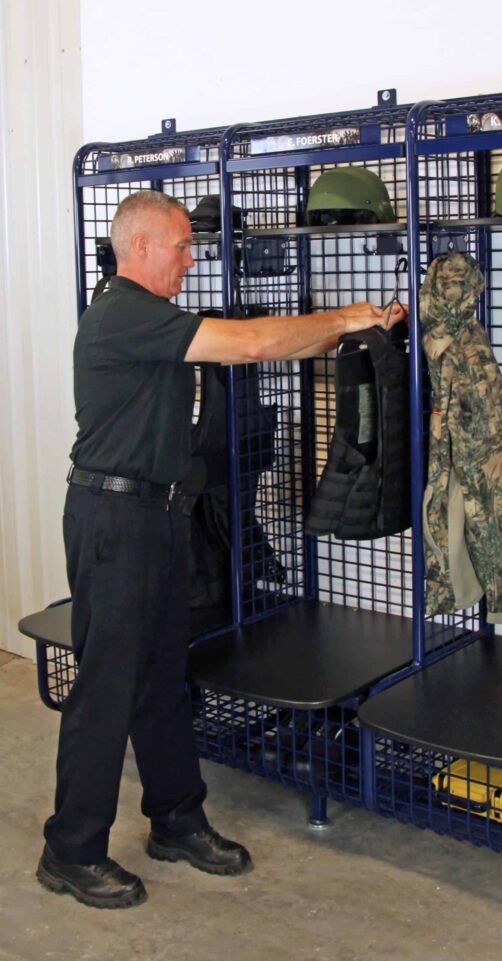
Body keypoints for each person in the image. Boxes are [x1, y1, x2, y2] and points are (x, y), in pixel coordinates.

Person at [37, 189, 407, 909]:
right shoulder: (122, 313)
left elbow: (262, 342)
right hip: (113, 520)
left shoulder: (156, 318)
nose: (189, 257)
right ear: (138, 246)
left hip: (160, 517)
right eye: (180, 245)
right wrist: (346, 316)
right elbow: (252, 343)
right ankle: (70, 848)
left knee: (164, 678)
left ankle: (176, 818)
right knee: (108, 684)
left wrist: (354, 329)